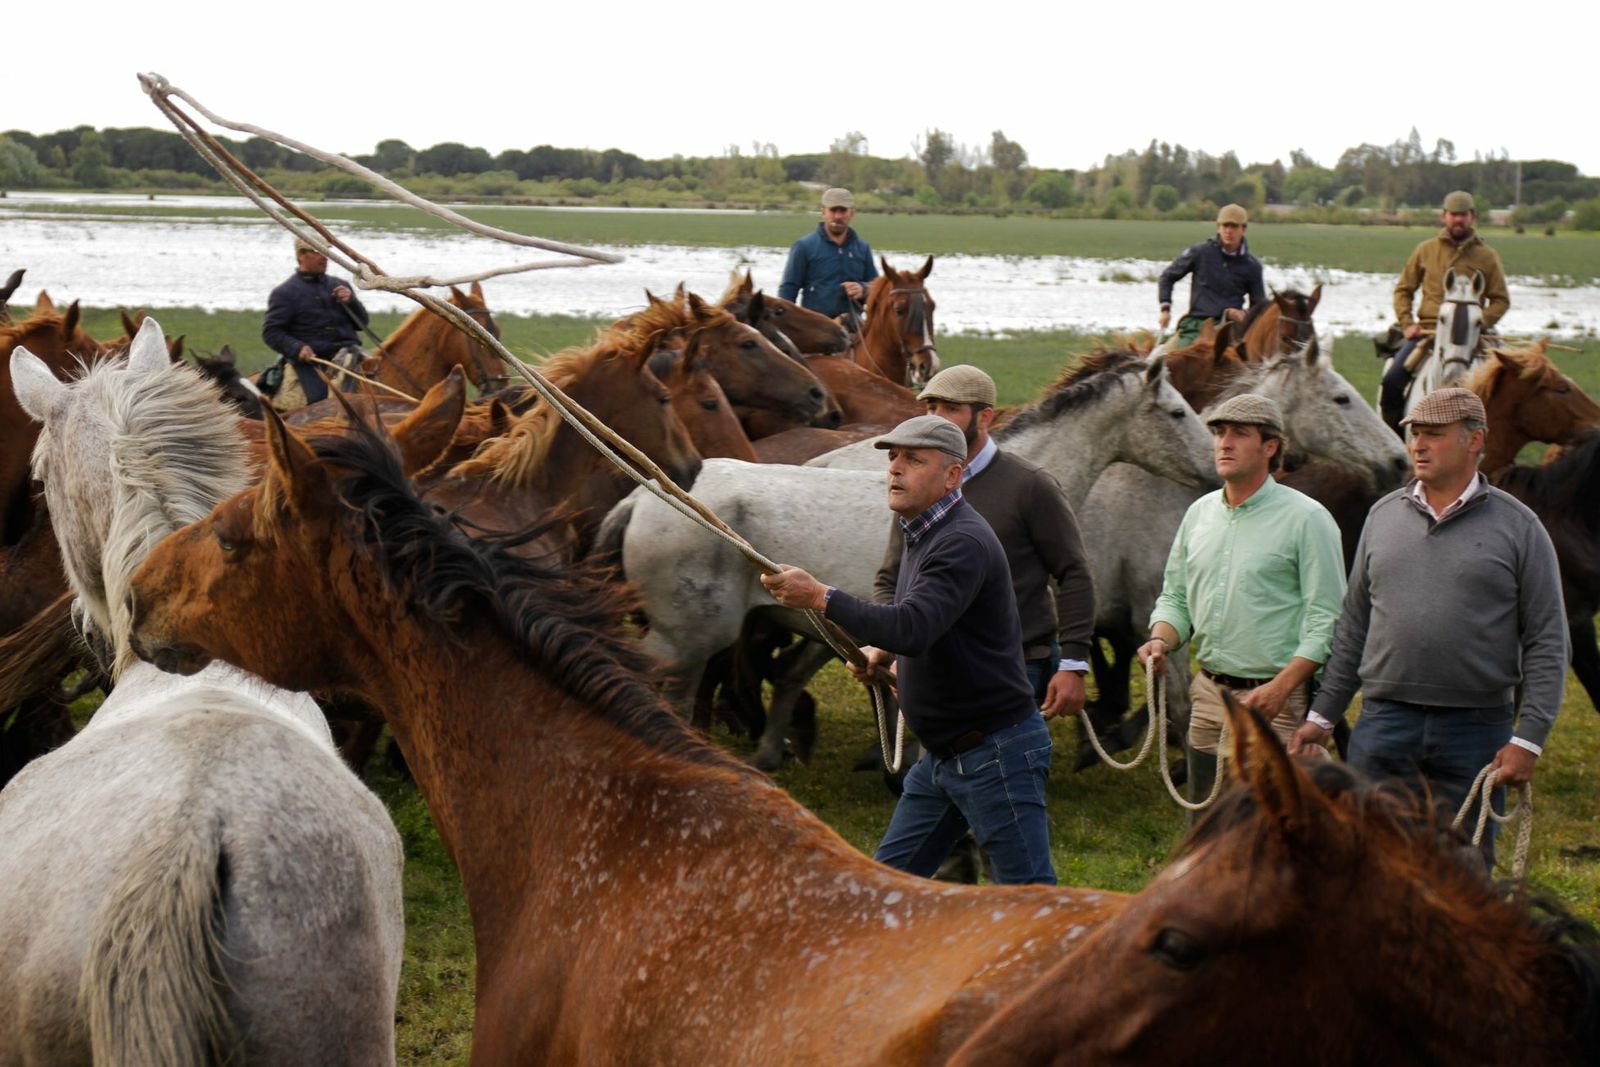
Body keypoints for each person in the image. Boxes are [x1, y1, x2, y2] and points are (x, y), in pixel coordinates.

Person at [761, 415, 1055, 885]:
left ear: (952, 476)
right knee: (888, 888)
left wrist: (822, 597)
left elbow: (915, 627)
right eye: (893, 458)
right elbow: (932, 627)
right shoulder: (921, 531)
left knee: (1032, 899)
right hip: (942, 756)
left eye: (913, 460)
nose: (895, 469)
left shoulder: (961, 541)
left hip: (993, 754)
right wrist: (888, 654)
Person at [1291, 387, 1566, 863]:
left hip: (1476, 729)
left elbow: (1547, 640)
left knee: (1464, 873)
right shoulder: (1383, 517)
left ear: (1474, 440)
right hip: (1383, 723)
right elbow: (1355, 625)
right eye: (1415, 434)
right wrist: (1322, 715)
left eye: (1434, 435)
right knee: (1370, 865)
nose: (1417, 445)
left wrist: (1529, 738)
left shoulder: (1520, 528)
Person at [1138, 393, 1346, 807]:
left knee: (1276, 832)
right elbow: (1176, 597)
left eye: (1239, 433)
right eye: (1218, 432)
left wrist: (1282, 689)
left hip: (1276, 704)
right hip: (1208, 696)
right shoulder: (1198, 514)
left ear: (1270, 447)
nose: (1223, 443)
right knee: (1207, 823)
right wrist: (1161, 639)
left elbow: (1328, 618)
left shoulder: (1308, 519)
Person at [875, 364, 1093, 718]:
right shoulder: (920, 484)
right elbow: (891, 578)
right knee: (928, 769)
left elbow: (1074, 573)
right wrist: (897, 648)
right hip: (934, 663)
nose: (937, 419)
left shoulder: (1030, 485)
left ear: (984, 417)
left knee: (997, 765)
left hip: (1017, 662)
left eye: (950, 409)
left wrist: (1073, 663)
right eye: (930, 407)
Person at [1379, 190, 1510, 430]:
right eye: (1453, 215)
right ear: (1444, 217)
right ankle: (1394, 440)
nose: (1458, 220)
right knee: (1392, 380)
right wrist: (1408, 324)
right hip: (1427, 332)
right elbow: (1403, 290)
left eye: (1463, 215)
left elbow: (1501, 300)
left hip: (1473, 336)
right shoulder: (1425, 250)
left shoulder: (1487, 256)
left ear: (1472, 217)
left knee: (1505, 386)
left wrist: (1478, 324)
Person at [262, 236, 370, 407]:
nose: (324, 257)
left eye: (326, 252)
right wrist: (297, 348)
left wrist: (351, 302)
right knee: (319, 404)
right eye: (317, 252)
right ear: (301, 255)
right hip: (313, 362)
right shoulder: (285, 293)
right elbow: (272, 333)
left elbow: (362, 323)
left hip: (350, 356)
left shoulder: (340, 285)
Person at [1157, 204, 1266, 347]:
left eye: (1234, 227)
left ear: (1243, 230)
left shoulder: (1252, 266)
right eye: (1225, 226)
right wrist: (1165, 309)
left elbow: (1259, 306)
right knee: (1171, 361)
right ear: (1218, 227)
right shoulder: (1200, 253)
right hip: (1197, 325)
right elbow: (1167, 277)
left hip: (1231, 330)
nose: (1228, 231)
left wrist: (1242, 314)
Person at [778, 187, 879, 322]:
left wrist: (864, 289)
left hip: (853, 327)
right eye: (833, 210)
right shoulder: (804, 247)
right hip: (816, 329)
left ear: (852, 213)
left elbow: (877, 287)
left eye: (843, 211)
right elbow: (788, 290)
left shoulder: (863, 248)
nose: (838, 216)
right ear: (823, 212)